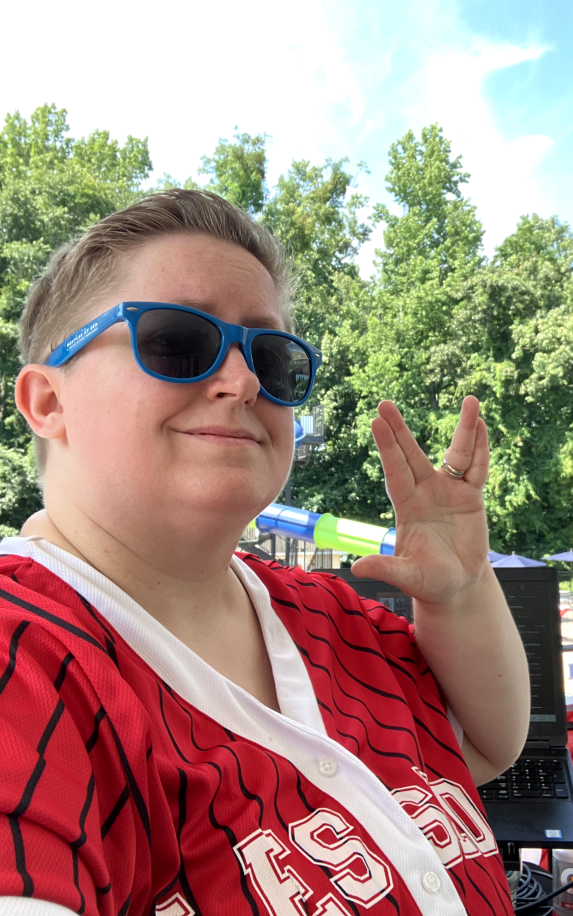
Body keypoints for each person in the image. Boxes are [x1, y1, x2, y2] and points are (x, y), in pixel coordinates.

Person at [0, 189, 530, 916]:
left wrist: (463, 594)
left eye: (270, 356)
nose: (243, 381)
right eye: (177, 342)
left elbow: (486, 748)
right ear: (47, 401)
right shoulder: (22, 661)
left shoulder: (336, 616)